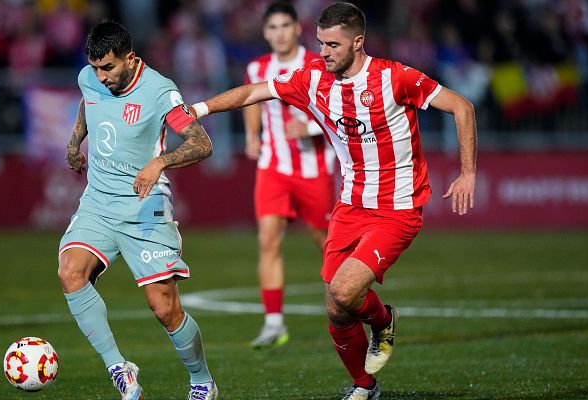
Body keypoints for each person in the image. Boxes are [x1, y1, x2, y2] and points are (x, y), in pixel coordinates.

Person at [189, 3, 476, 399]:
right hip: (349, 206)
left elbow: (462, 107)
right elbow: (254, 92)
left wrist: (468, 172)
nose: (323, 52)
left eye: (332, 45)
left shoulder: (395, 77)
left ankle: (383, 320)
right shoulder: (312, 79)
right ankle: (364, 386)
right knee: (335, 306)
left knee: (344, 291)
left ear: (358, 42)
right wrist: (199, 109)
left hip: (397, 209)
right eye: (320, 43)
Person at [57, 20, 218, 400]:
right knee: (70, 271)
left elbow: (202, 143)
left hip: (144, 209)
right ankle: (119, 367)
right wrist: (74, 141)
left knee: (165, 310)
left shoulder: (160, 91)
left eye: (108, 68)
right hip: (97, 202)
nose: (101, 76)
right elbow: (86, 102)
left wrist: (159, 163)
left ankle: (202, 380)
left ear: (130, 58)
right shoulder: (90, 78)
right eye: (95, 68)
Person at [243, 1, 336, 349]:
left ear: (297, 29)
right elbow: (251, 101)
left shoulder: (317, 64)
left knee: (326, 244)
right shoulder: (257, 68)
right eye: (272, 27)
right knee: (268, 240)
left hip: (315, 168)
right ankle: (273, 323)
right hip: (273, 167)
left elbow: (336, 108)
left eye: (285, 26)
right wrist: (253, 135)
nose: (279, 33)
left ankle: (343, 310)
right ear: (265, 33)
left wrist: (310, 126)